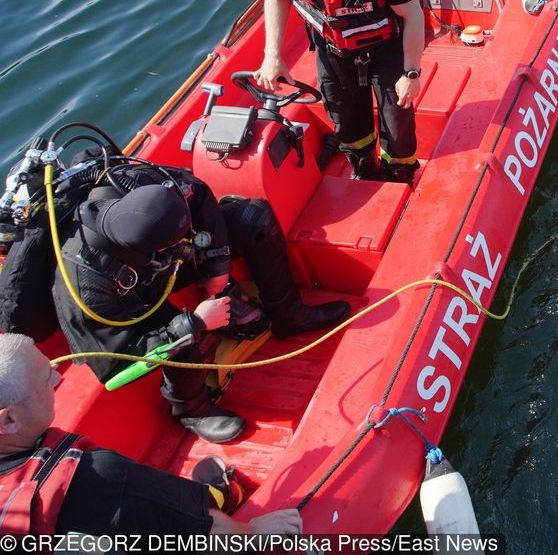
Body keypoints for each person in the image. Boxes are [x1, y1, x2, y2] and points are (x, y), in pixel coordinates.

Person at [51, 162, 350, 443]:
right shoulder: (86, 286)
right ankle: (190, 411)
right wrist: (196, 322)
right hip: (132, 298)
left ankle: (290, 315)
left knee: (254, 217)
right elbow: (116, 365)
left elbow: (202, 198)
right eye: (176, 242)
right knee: (184, 334)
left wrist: (216, 267)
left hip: (161, 266)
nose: (185, 245)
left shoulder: (147, 181)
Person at [0, 333, 302, 535]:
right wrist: (252, 533)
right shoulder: (98, 479)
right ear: (10, 420)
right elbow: (204, 535)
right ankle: (222, 493)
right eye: (45, 380)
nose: (56, 380)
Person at [255, 0, 426, 183]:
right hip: (332, 49)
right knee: (347, 124)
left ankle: (397, 173)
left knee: (397, 127)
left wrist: (411, 73)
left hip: (384, 48)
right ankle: (363, 166)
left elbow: (412, 13)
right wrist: (272, 54)